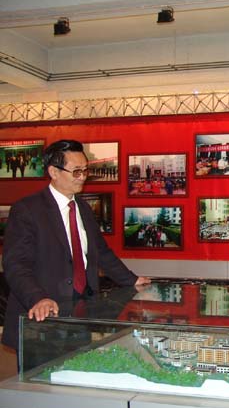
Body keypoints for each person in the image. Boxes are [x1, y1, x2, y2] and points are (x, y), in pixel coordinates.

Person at [2, 140, 151, 352]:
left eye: (85, 170)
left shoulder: (83, 208)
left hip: (81, 312)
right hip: (44, 317)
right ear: (54, 172)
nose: (82, 177)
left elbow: (101, 252)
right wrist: (38, 298)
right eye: (76, 171)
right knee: (43, 371)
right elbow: (16, 264)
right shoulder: (27, 210)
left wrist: (132, 280)